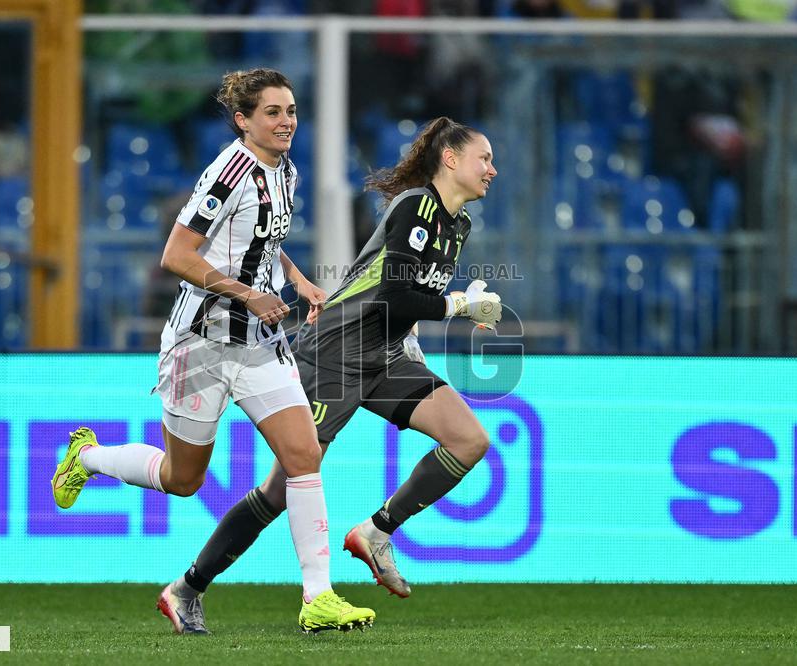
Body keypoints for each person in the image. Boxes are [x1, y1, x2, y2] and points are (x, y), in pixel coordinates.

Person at [51, 68, 375, 635]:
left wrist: (296, 279)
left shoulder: (286, 170)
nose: (286, 122)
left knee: (303, 455)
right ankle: (88, 458)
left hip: (259, 344)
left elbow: (260, 242)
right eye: (272, 112)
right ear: (243, 120)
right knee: (183, 479)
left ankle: (318, 596)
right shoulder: (229, 173)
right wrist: (249, 294)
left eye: (291, 111)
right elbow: (176, 255)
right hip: (200, 345)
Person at [162, 117, 503, 632]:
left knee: (469, 440)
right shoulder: (415, 207)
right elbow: (396, 295)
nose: (492, 170)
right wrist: (461, 305)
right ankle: (187, 588)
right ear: (451, 159)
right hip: (335, 353)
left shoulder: (458, 225)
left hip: (386, 354)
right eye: (485, 158)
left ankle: (376, 532)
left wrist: (419, 340)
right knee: (281, 490)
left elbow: (408, 302)